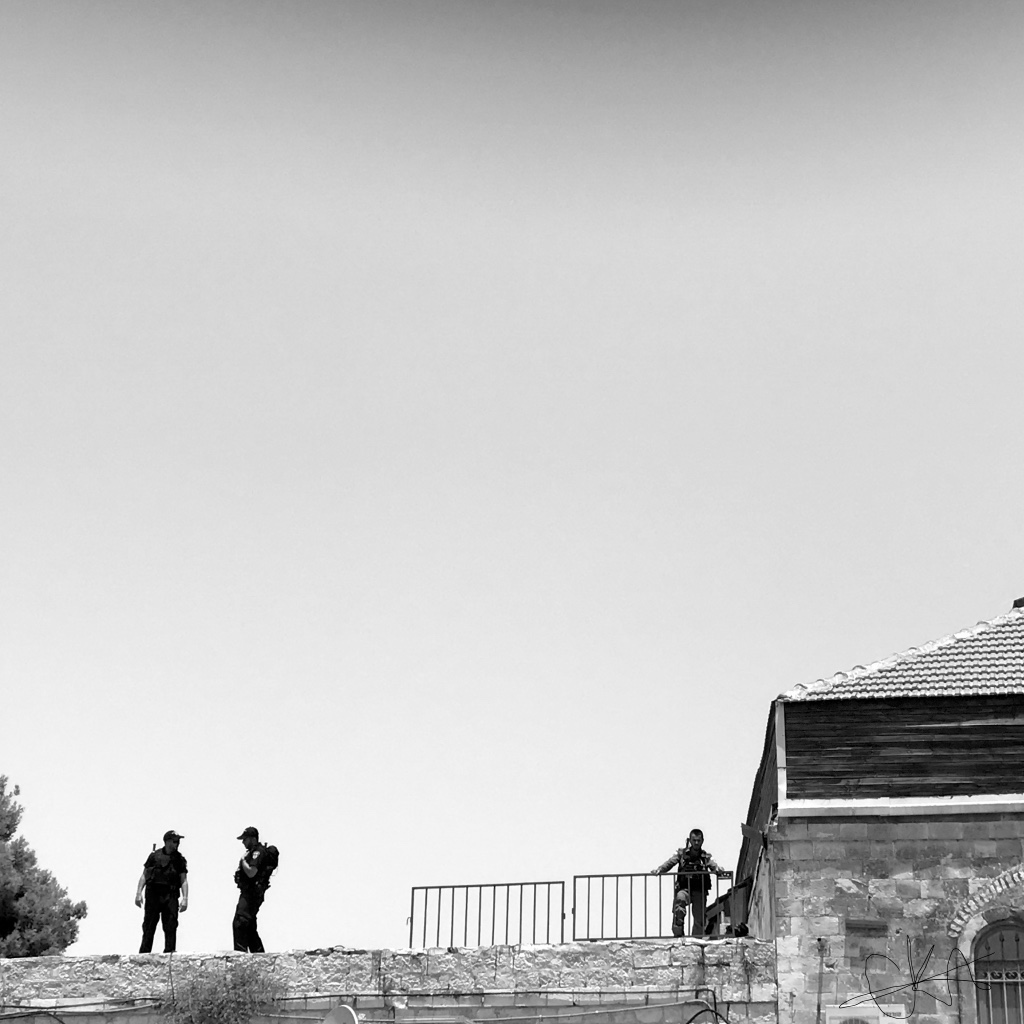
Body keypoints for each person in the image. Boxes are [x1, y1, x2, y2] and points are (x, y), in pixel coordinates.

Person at [652, 828, 722, 938]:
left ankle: (696, 940)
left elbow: (714, 865)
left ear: (702, 841)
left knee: (699, 918)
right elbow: (670, 862)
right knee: (679, 903)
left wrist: (719, 870)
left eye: (698, 840)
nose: (696, 843)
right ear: (690, 840)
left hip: (700, 890)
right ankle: (678, 935)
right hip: (684, 889)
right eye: (694, 840)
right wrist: (660, 870)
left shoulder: (705, 857)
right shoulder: (682, 854)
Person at [136, 830, 188, 953]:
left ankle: (169, 953)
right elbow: (144, 875)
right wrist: (138, 893)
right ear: (167, 841)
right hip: (153, 894)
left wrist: (185, 898)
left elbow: (183, 880)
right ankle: (144, 954)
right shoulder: (154, 856)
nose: (176, 844)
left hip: (170, 895)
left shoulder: (179, 859)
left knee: (170, 924)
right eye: (174, 841)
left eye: (178, 842)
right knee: (149, 925)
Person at [233, 826, 269, 952]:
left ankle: (239, 955)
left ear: (253, 839)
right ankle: (259, 957)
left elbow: (251, 872)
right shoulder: (252, 852)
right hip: (249, 892)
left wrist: (243, 861)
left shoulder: (257, 852)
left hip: (252, 894)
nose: (243, 842)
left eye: (245, 839)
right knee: (249, 927)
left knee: (240, 922)